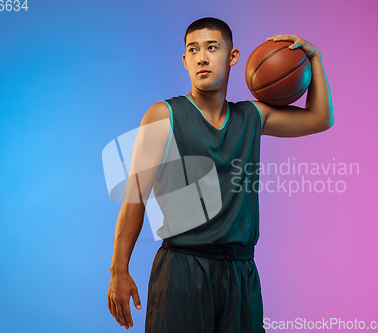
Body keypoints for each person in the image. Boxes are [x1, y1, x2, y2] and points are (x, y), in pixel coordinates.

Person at [107, 17, 333, 332]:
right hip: (183, 269)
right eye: (193, 50)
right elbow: (135, 197)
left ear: (232, 57)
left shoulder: (253, 115)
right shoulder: (164, 115)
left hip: (241, 272)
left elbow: (320, 118)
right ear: (185, 60)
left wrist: (314, 58)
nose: (202, 57)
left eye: (212, 48)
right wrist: (119, 269)